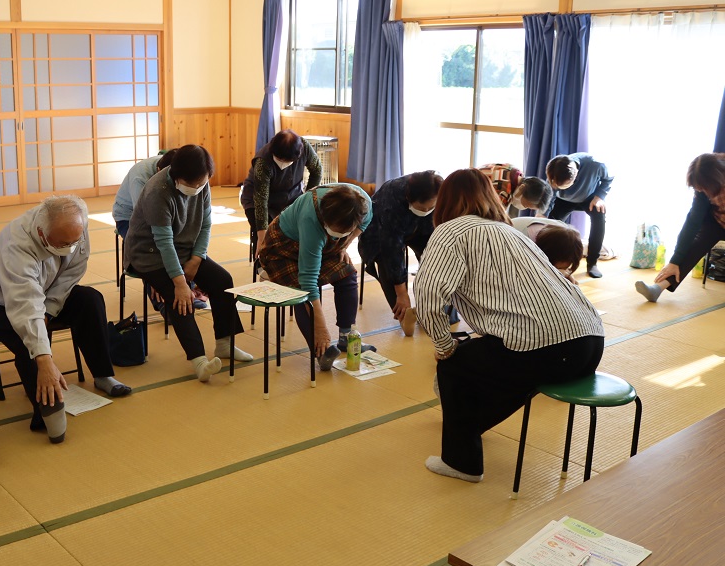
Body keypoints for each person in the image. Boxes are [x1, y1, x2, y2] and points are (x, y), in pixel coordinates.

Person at [414, 169, 604, 483]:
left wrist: (444, 346)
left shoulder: (451, 231)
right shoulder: (513, 231)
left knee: (453, 365)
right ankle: (471, 428)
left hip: (544, 348)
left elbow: (428, 292)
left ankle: (461, 462)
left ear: (444, 201)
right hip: (590, 343)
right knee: (509, 366)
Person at [0, 195, 132, 444]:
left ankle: (103, 374)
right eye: (63, 242)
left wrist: (49, 311)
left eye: (75, 240)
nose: (70, 246)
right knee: (31, 348)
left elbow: (73, 271)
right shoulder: (17, 243)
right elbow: (25, 303)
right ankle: (47, 411)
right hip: (2, 301)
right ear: (41, 232)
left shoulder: (76, 223)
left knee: (90, 299)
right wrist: (44, 357)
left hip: (50, 291)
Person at [124, 144, 253, 382]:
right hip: (149, 253)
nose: (196, 189)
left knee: (222, 280)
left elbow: (205, 224)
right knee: (179, 298)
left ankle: (224, 344)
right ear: (176, 176)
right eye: (191, 184)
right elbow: (163, 242)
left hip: (185, 249)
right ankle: (198, 362)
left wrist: (196, 259)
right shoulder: (157, 191)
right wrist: (181, 283)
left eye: (201, 184)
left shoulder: (201, 182)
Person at [257, 183, 374, 369]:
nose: (340, 235)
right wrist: (320, 328)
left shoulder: (363, 205)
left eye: (345, 231)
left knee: (348, 274)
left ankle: (346, 337)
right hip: (283, 248)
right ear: (325, 218)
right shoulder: (311, 218)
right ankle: (322, 350)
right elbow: (308, 282)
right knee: (300, 293)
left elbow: (366, 223)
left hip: (324, 245)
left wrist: (344, 245)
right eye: (336, 230)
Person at [112, 149, 205, 310]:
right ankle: (162, 303)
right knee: (149, 254)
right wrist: (156, 277)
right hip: (130, 219)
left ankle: (187, 288)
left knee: (183, 243)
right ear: (160, 172)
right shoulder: (141, 179)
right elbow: (147, 226)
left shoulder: (179, 167)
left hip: (166, 216)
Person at [358, 170, 442, 336]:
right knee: (385, 262)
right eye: (422, 207)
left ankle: (435, 309)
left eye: (431, 207)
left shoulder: (442, 191)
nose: (426, 210)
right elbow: (392, 249)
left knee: (436, 258)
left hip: (422, 229)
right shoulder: (392, 198)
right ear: (410, 198)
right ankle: (403, 313)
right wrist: (402, 293)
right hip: (380, 230)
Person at [636, 153, 725, 303]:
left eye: (703, 188)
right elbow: (692, 222)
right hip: (717, 222)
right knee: (695, 244)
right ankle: (658, 289)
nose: (701, 191)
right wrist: (674, 261)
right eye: (699, 189)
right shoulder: (702, 188)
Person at [240, 130, 322, 256]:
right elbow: (261, 200)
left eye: (287, 161)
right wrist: (262, 237)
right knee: (269, 237)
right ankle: (263, 268)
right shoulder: (263, 162)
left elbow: (317, 170)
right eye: (280, 159)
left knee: (301, 229)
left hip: (292, 196)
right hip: (257, 201)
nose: (283, 163)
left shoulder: (304, 147)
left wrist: (307, 197)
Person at [546, 153, 613, 278]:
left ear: (575, 175)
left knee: (599, 218)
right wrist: (543, 214)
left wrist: (600, 196)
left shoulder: (596, 164)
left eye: (564, 186)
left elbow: (608, 179)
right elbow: (549, 195)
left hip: (589, 198)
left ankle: (592, 262)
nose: (558, 187)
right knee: (549, 225)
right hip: (563, 200)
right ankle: (550, 260)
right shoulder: (554, 168)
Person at [112, 150, 177, 239]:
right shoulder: (140, 179)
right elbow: (141, 215)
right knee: (144, 246)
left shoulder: (173, 166)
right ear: (159, 171)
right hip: (128, 217)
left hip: (162, 213)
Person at [511, 217, 584, 283]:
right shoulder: (524, 244)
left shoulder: (567, 235)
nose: (564, 269)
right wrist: (554, 274)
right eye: (560, 268)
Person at [477, 163, 553, 217]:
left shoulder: (513, 171)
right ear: (521, 189)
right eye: (526, 205)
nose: (524, 208)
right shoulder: (502, 193)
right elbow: (489, 219)